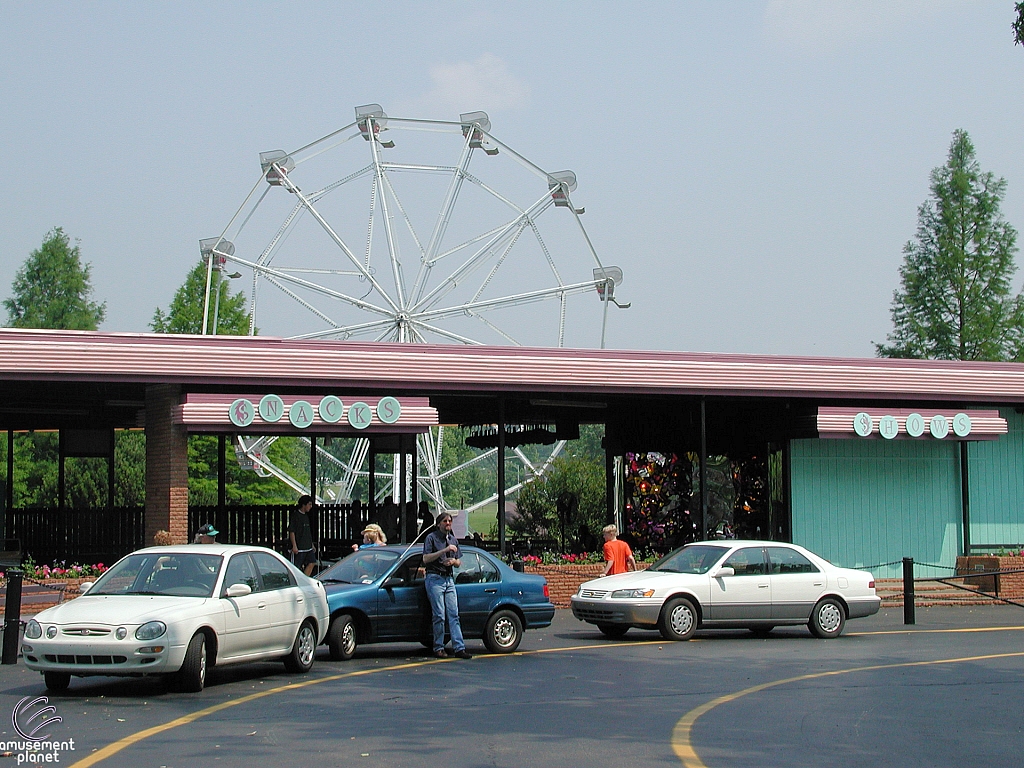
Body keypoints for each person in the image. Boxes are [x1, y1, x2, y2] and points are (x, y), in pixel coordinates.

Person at [422, 512, 471, 659]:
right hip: (434, 578)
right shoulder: (431, 538)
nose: (448, 523)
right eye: (445, 521)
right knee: (439, 615)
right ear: (439, 524)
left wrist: (453, 562)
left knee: (454, 615)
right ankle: (438, 647)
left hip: (449, 579)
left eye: (450, 521)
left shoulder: (453, 540)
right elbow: (425, 558)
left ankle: (459, 648)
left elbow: (459, 562)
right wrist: (444, 550)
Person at [289, 495, 318, 576]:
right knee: (296, 567)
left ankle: (304, 578)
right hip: (299, 547)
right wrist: (294, 545)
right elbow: (292, 531)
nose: (311, 507)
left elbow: (307, 532)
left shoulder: (306, 516)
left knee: (312, 562)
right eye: (309, 504)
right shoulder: (295, 516)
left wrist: (311, 544)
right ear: (303, 505)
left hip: (308, 547)